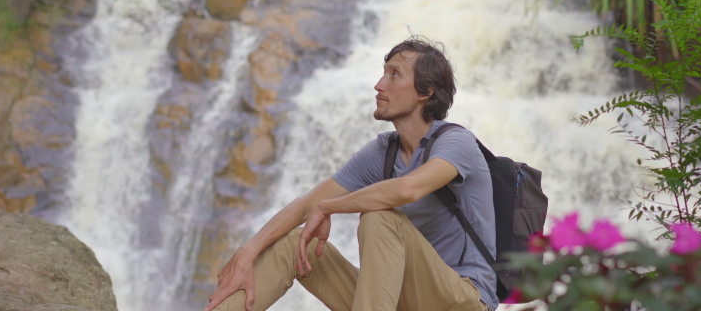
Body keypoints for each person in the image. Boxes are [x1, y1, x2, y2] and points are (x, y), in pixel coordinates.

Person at [204, 36, 498, 311]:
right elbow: (307, 204)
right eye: (383, 73)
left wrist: (329, 208)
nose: (379, 85)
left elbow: (407, 189)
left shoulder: (456, 142)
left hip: (462, 298)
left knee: (380, 216)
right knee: (296, 242)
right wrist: (248, 251)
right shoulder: (384, 152)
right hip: (397, 299)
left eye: (394, 75)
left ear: (426, 91)